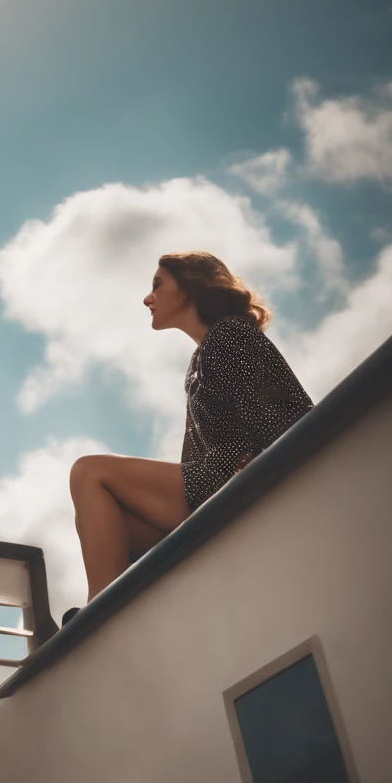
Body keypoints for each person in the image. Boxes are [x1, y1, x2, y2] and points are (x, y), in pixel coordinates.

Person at [62, 250, 313, 625]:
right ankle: (124, 617)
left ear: (189, 287)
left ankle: (98, 617)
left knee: (88, 472)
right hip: (212, 490)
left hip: (234, 484)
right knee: (109, 523)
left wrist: (257, 475)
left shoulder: (230, 335)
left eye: (157, 285)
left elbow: (289, 420)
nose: (148, 298)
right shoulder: (201, 357)